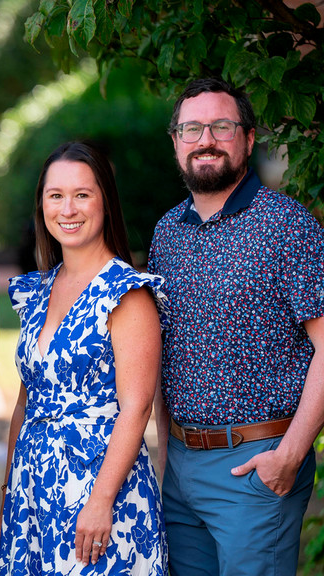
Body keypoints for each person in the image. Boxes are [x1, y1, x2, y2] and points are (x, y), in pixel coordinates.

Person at [148, 78, 324, 576]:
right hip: (180, 467)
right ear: (177, 142)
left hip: (255, 466)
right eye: (191, 128)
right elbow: (169, 354)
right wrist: (165, 457)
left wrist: (289, 455)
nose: (205, 139)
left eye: (221, 126)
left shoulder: (285, 224)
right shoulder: (168, 231)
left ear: (247, 139)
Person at [0, 141, 167, 575]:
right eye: (56, 196)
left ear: (105, 201)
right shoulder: (38, 290)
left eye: (82, 195)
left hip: (99, 495)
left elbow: (137, 407)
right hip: (33, 492)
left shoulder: (126, 293)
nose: (67, 209)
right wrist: (8, 492)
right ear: (42, 206)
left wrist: (101, 501)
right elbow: (25, 402)